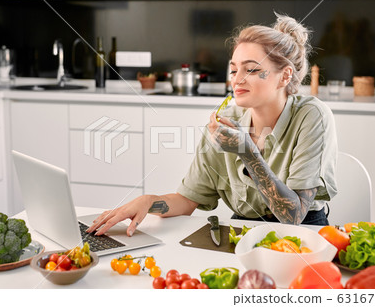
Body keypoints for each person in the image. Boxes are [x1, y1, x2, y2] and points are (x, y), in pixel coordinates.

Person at [87, 13, 337, 237]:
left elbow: (293, 216)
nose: (237, 80)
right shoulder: (227, 120)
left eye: (251, 70)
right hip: (244, 229)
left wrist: (246, 152)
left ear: (284, 75)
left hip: (305, 231)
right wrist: (148, 201)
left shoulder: (312, 116)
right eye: (233, 70)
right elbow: (188, 200)